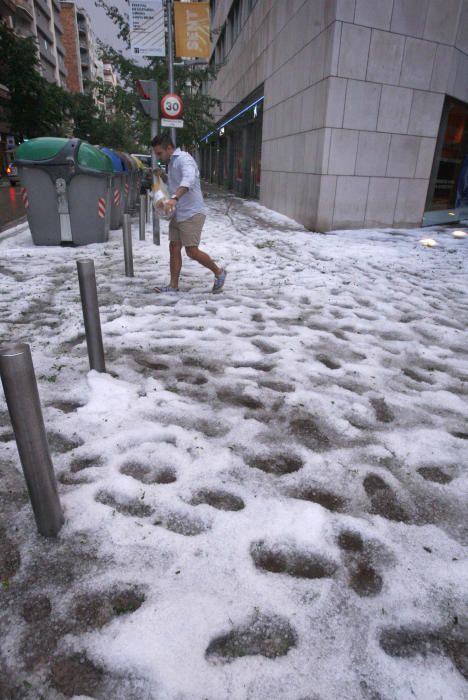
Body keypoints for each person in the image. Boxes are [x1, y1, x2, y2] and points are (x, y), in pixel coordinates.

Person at [151, 132, 227, 294]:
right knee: (174, 247)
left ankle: (219, 272)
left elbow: (188, 180)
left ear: (169, 148)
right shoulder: (171, 162)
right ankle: (173, 286)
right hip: (179, 213)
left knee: (192, 251)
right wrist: (161, 177)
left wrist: (174, 199)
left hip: (192, 213)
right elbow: (175, 184)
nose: (158, 156)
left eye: (159, 153)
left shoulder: (184, 159)